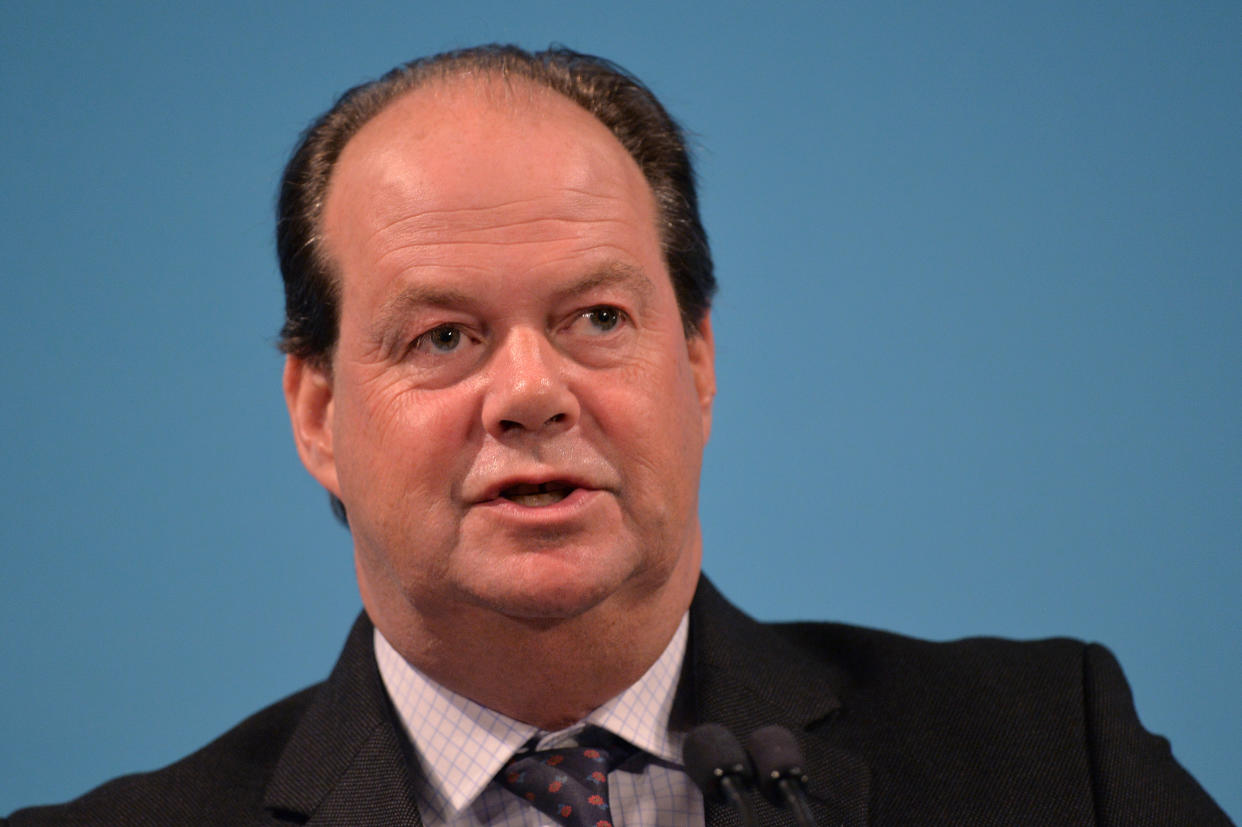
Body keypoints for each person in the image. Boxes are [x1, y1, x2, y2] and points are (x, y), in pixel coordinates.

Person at [5, 44, 1230, 827]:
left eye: (597, 316)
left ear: (694, 360)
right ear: (319, 412)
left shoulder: (1049, 758)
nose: (531, 391)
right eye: (443, 335)